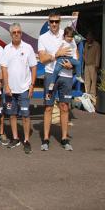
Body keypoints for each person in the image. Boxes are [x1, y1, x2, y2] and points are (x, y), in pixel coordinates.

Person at [38, 12, 74, 151]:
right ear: (48, 22)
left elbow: (75, 54)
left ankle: (64, 139)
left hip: (66, 75)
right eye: (52, 21)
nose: (54, 24)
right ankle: (46, 139)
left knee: (64, 107)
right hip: (50, 75)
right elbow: (42, 59)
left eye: (56, 22)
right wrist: (56, 55)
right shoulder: (43, 38)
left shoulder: (66, 35)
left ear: (60, 22)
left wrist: (72, 65)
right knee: (48, 107)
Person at [1, 23, 37, 154]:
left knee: (26, 116)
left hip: (24, 89)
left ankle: (26, 140)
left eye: (19, 32)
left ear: (21, 33)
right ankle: (15, 138)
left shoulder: (28, 48)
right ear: (10, 34)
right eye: (14, 32)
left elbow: (33, 67)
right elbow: (4, 68)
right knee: (12, 115)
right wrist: (6, 85)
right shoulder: (6, 49)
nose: (16, 34)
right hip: (11, 90)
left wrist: (32, 85)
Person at [48, 26, 84, 95]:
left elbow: (74, 52)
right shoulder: (62, 42)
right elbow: (55, 52)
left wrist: (72, 64)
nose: (70, 38)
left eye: (71, 37)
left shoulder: (73, 42)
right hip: (61, 59)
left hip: (70, 59)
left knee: (78, 63)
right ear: (64, 36)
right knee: (56, 70)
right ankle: (52, 83)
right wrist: (58, 53)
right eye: (68, 36)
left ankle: (78, 76)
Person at [83, 32, 101, 97]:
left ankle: (93, 94)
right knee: (86, 80)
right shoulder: (86, 44)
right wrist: (85, 60)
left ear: (92, 38)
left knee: (93, 80)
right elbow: (84, 53)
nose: (88, 39)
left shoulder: (97, 45)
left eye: (89, 38)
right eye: (87, 38)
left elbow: (98, 55)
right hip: (87, 65)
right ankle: (87, 93)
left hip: (93, 65)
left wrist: (97, 64)